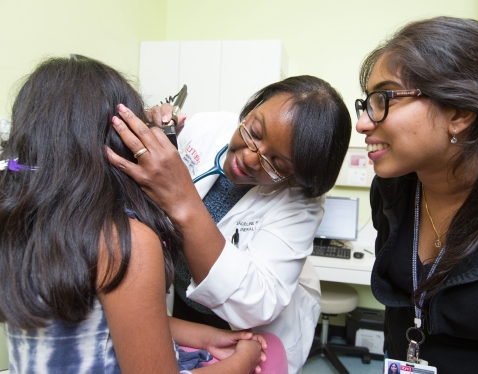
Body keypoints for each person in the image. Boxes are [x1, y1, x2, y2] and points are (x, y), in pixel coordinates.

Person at [0, 55, 276, 373]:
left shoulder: (18, 222)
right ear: (122, 140)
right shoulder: (124, 241)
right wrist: (244, 360)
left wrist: (207, 336)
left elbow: (102, 324)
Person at [106, 75, 352, 373]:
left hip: (248, 328)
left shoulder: (300, 202)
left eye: (276, 164)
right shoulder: (206, 127)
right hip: (183, 303)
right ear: (251, 109)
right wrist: (157, 134)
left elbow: (254, 302)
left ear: (296, 176)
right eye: (254, 132)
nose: (250, 157)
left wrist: (184, 201)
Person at [355, 16, 478, 372]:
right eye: (366, 104)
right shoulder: (391, 192)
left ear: (460, 113)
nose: (362, 123)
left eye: (383, 99)